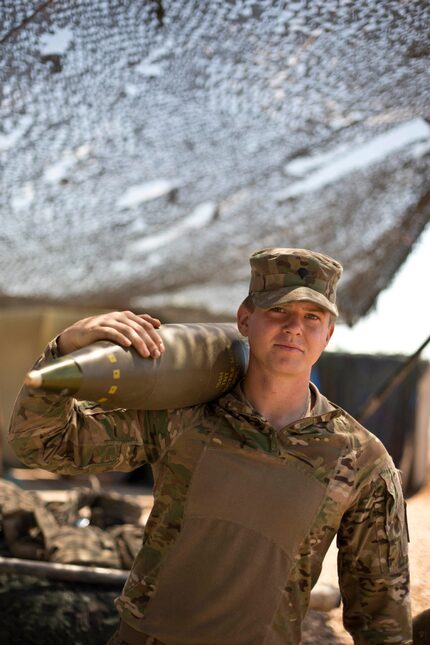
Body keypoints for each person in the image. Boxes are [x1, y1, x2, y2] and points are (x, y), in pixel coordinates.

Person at [9, 248, 412, 644]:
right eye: (278, 311)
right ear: (244, 319)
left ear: (328, 333)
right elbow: (45, 444)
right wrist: (64, 347)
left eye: (312, 317)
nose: (294, 328)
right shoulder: (182, 416)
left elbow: (381, 617)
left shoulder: (361, 459)